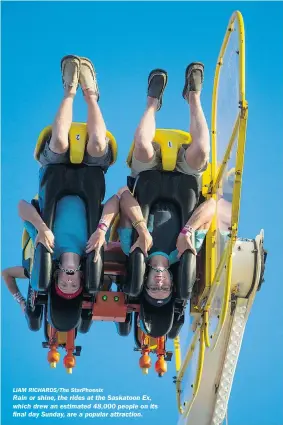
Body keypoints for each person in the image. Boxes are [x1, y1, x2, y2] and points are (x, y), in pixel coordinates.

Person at [2, 55, 118, 312]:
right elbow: (115, 202)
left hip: (55, 171)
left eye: (62, 285)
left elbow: (22, 207)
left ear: (55, 278)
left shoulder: (47, 248)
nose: (67, 280)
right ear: (80, 278)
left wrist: (41, 228)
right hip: (91, 172)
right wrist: (101, 229)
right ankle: (90, 94)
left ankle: (69, 90)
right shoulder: (93, 244)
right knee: (98, 143)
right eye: (72, 284)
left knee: (59, 144)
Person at [117, 63, 215, 307]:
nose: (159, 283)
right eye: (164, 288)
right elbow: (212, 205)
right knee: (202, 149)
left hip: (148, 176)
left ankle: (153, 102)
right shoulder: (183, 250)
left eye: (152, 287)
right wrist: (187, 232)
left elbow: (124, 199)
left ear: (146, 280)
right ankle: (193, 96)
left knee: (141, 142)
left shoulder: (133, 248)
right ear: (172, 281)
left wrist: (141, 229)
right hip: (185, 180)